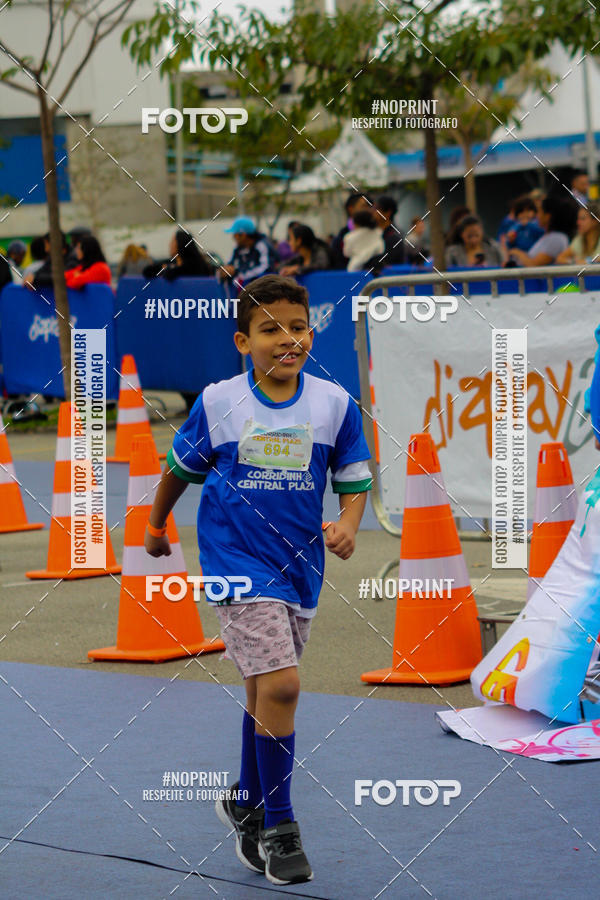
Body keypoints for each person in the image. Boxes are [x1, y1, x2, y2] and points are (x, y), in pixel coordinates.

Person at [144, 274, 371, 886]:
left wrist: (349, 522)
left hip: (299, 568)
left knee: (263, 692)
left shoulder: (333, 404)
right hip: (235, 564)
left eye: (296, 327)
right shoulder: (219, 402)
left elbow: (353, 479)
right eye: (271, 329)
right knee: (285, 686)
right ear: (243, 341)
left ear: (311, 334)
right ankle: (279, 825)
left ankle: (245, 800)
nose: (286, 339)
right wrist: (157, 522)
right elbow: (180, 469)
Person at [507, 195, 575, 267]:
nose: (537, 215)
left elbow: (534, 265)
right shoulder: (549, 236)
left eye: (540, 211)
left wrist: (517, 252)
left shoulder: (557, 238)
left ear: (548, 216)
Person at [218, 217, 276, 286]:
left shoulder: (262, 245)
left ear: (243, 235)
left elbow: (266, 268)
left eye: (235, 234)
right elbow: (230, 264)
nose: (233, 237)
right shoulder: (238, 248)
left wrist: (238, 274)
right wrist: (226, 270)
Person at [143, 229, 213, 280]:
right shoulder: (173, 262)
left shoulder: (196, 265)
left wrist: (168, 269)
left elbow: (175, 273)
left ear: (181, 244)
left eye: (173, 242)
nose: (170, 245)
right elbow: (148, 271)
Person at [329, 191, 374, 269]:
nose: (368, 210)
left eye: (370, 207)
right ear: (351, 209)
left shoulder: (379, 234)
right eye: (364, 206)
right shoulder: (340, 240)